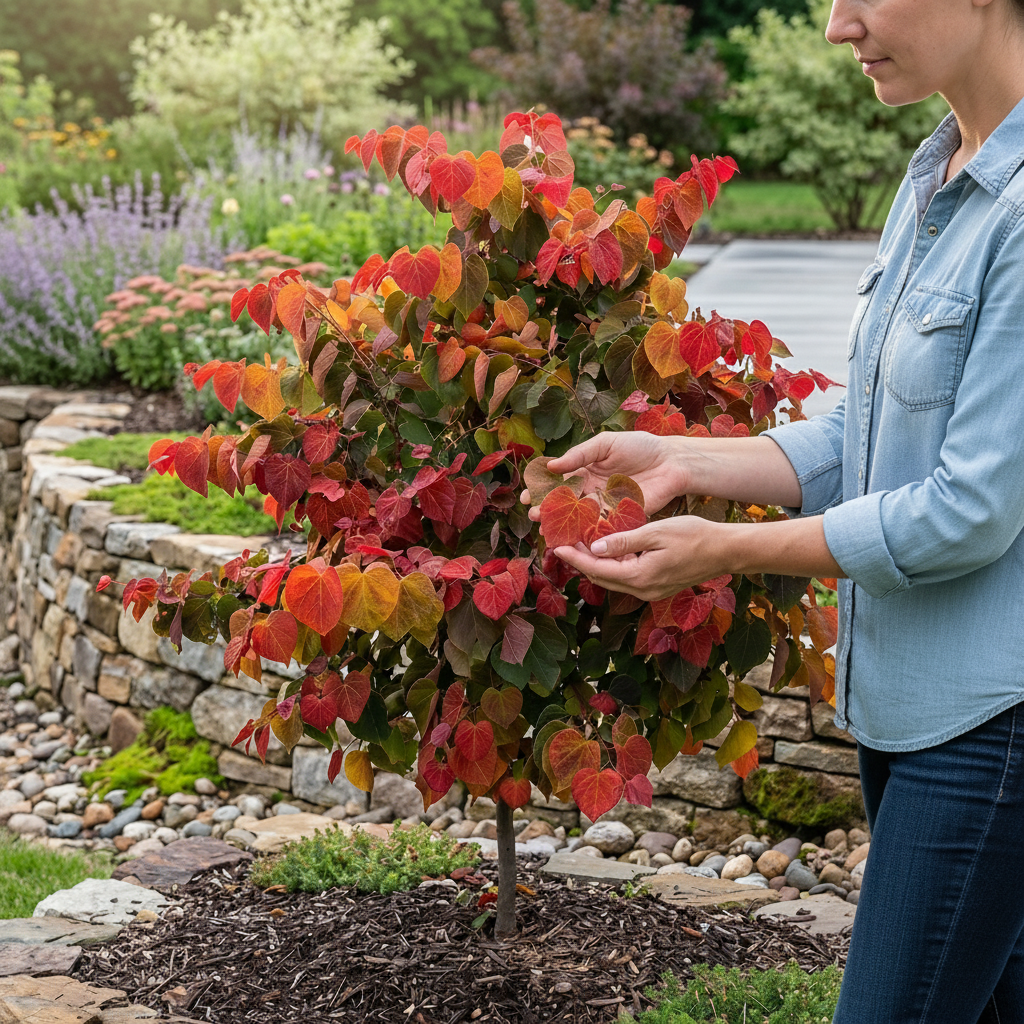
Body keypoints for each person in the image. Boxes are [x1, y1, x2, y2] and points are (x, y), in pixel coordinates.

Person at [522, 0, 1024, 1019]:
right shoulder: (937, 179)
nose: (838, 26)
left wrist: (724, 553)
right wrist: (676, 458)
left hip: (992, 725)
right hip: (915, 716)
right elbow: (873, 429)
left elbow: (969, 507)